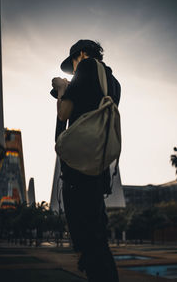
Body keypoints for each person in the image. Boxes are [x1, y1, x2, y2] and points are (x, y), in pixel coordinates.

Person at [52, 40, 121, 282]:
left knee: (87, 244)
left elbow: (64, 113)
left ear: (80, 54)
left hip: (77, 169)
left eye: (73, 63)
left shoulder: (86, 67)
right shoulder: (113, 83)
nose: (74, 68)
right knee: (97, 240)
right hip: (98, 169)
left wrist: (62, 89)